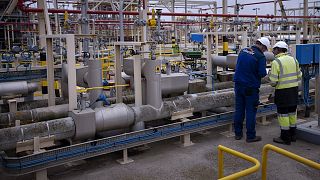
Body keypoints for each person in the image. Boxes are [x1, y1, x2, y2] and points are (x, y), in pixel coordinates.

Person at [233, 37, 270, 142]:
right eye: (265, 49)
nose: (264, 51)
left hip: (238, 85)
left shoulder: (243, 51)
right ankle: (250, 136)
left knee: (239, 110)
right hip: (250, 88)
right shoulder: (260, 57)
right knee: (250, 111)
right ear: (263, 46)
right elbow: (262, 73)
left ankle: (238, 134)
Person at [269, 41, 302, 145]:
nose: (273, 51)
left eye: (274, 49)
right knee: (292, 113)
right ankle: (293, 135)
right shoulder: (294, 59)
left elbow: (273, 82)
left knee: (283, 115)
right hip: (294, 91)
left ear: (278, 49)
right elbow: (299, 75)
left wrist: (270, 76)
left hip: (282, 92)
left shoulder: (276, 62)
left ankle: (285, 138)